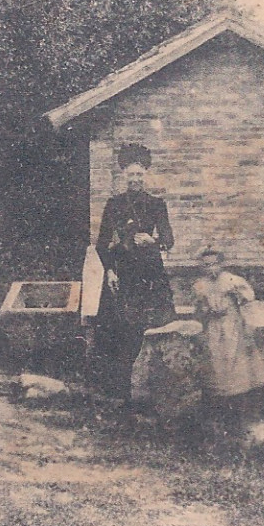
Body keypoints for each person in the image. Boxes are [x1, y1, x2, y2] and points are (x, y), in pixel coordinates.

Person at [92, 143, 176, 397]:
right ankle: (120, 388)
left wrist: (154, 241)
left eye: (140, 174)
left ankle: (155, 384)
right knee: (121, 327)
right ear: (123, 176)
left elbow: (169, 239)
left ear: (146, 175)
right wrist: (109, 271)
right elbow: (101, 242)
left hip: (150, 271)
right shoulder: (114, 204)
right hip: (123, 271)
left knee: (152, 324)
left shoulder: (156, 204)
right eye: (131, 175)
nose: (136, 179)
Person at [191, 247, 264, 435]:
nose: (211, 269)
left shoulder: (232, 280)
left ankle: (239, 419)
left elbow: (248, 300)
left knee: (237, 368)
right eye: (206, 265)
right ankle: (218, 417)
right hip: (213, 329)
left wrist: (245, 322)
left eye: (214, 264)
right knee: (216, 369)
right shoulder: (200, 284)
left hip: (232, 327)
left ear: (222, 264)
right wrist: (207, 312)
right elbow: (198, 310)